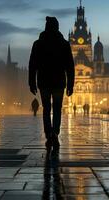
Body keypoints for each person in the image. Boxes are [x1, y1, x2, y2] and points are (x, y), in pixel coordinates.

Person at [28, 16, 75, 149]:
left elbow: (33, 65)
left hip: (44, 81)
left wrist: (31, 82)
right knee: (57, 109)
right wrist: (70, 84)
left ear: (46, 27)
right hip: (59, 82)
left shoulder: (38, 44)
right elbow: (69, 66)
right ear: (57, 28)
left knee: (46, 109)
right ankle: (55, 133)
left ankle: (49, 135)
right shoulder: (64, 44)